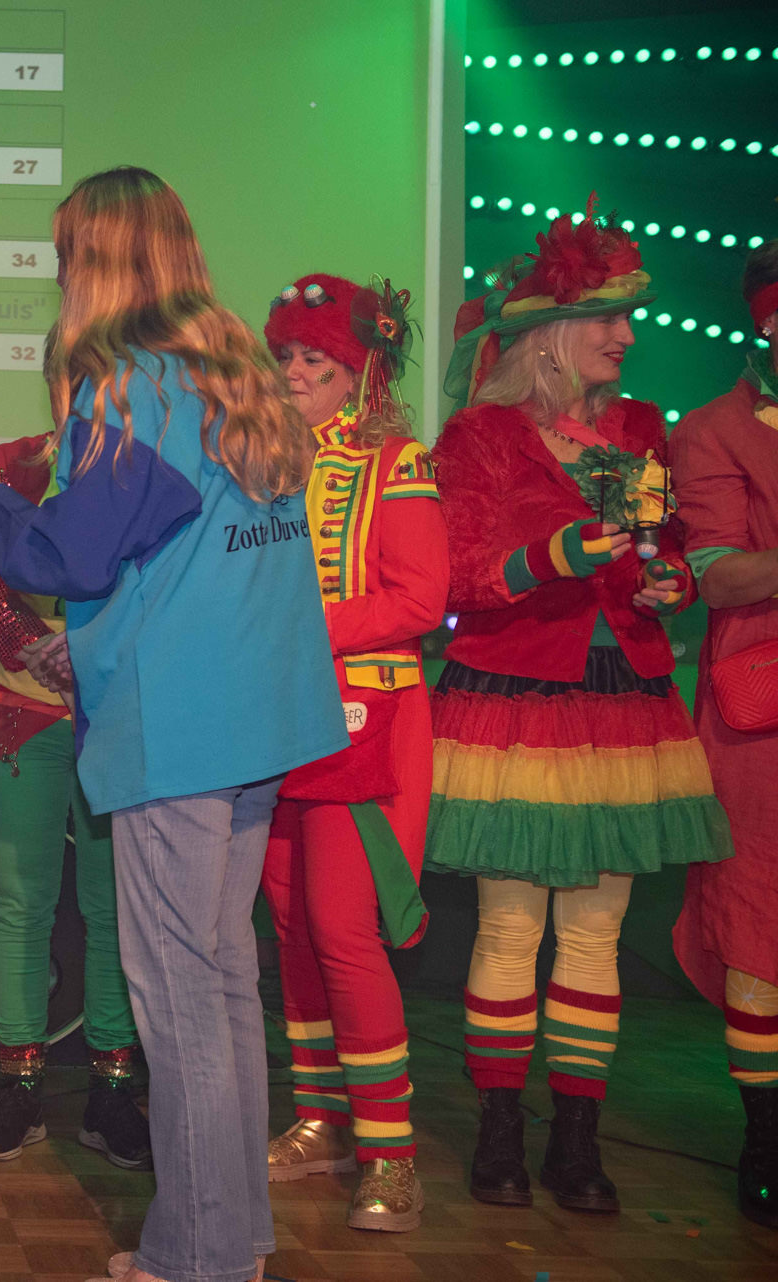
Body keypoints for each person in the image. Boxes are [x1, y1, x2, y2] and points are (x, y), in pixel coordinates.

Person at [0, 166, 345, 1282]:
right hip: (259, 716)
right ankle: (234, 1240)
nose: (58, 275)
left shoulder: (127, 385)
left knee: (180, 997)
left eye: (65, 254)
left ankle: (197, 1258)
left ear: (98, 261)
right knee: (221, 983)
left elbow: (72, 554)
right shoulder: (237, 371)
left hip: (182, 728)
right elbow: (183, 553)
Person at [432, 198, 731, 1215]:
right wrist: (550, 557)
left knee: (597, 936)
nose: (627, 336)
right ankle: (500, 1135)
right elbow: (460, 577)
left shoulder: (638, 430)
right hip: (515, 701)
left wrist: (666, 584)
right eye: (608, 317)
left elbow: (664, 548)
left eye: (628, 318)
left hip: (625, 704)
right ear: (550, 332)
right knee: (510, 929)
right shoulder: (481, 435)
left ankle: (576, 1140)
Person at [257, 274, 448, 1233]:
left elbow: (421, 599)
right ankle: (321, 1120)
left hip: (362, 723)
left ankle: (391, 1152)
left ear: (362, 373)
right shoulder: (258, 464)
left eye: (316, 360)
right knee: (292, 929)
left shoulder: (396, 464)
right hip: (272, 722)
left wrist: (300, 626)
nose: (294, 373)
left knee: (342, 930)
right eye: (286, 356)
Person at [0, 432, 149, 1170]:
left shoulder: (142, 465)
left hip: (119, 713)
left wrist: (90, 653)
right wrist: (46, 652)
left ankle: (112, 1092)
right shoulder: (9, 462)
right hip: (19, 712)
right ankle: (19, 1085)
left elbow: (161, 576)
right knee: (19, 902)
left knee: (115, 908)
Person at [670, 240, 778, 1230]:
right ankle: (765, 1139)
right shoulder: (713, 432)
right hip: (761, 723)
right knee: (757, 926)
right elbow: (721, 575)